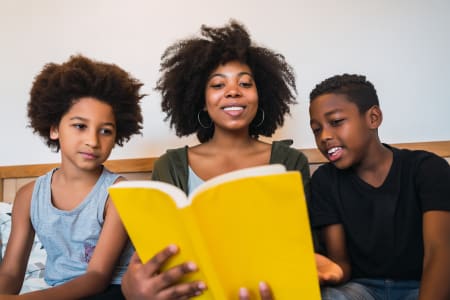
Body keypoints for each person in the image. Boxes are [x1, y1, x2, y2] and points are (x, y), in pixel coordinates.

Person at [121, 20, 342, 300]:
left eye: (245, 83)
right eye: (217, 84)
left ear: (260, 95)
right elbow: (157, 254)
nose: (233, 91)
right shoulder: (170, 165)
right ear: (201, 99)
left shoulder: (290, 162)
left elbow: (302, 247)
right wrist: (133, 287)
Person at [0, 55, 144, 299]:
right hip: (58, 291)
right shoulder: (28, 196)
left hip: (110, 291)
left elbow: (97, 277)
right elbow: (12, 273)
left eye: (105, 131)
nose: (92, 140)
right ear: (54, 128)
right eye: (80, 126)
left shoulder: (118, 194)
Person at [308, 74, 450, 299]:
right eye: (316, 129)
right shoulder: (325, 181)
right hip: (362, 288)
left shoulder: (427, 168)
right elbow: (341, 264)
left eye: (336, 122)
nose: (324, 136)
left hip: (421, 285)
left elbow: (439, 253)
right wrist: (330, 272)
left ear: (373, 118)